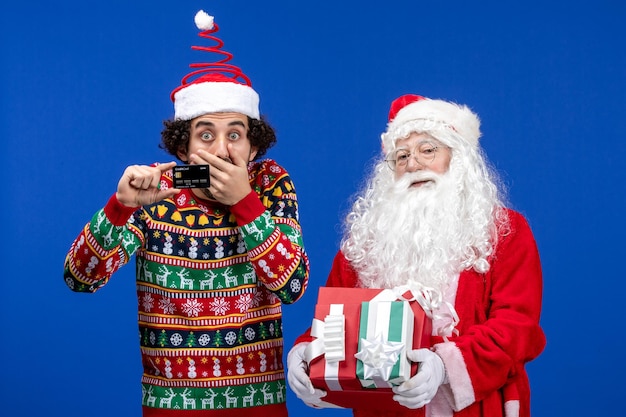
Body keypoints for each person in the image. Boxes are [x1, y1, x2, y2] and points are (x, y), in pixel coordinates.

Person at [63, 10, 309, 417]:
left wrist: (245, 203)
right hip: (172, 407)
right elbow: (80, 278)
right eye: (206, 134)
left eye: (235, 134)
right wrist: (120, 207)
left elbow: (293, 285)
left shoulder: (269, 184)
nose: (222, 149)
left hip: (259, 404)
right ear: (183, 149)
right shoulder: (156, 196)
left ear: (253, 147)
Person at [287, 94, 545, 417]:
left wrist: (445, 367)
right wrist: (307, 352)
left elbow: (515, 328)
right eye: (401, 156)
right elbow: (335, 325)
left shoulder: (505, 232)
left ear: (458, 159)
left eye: (427, 150)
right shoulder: (364, 243)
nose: (412, 164)